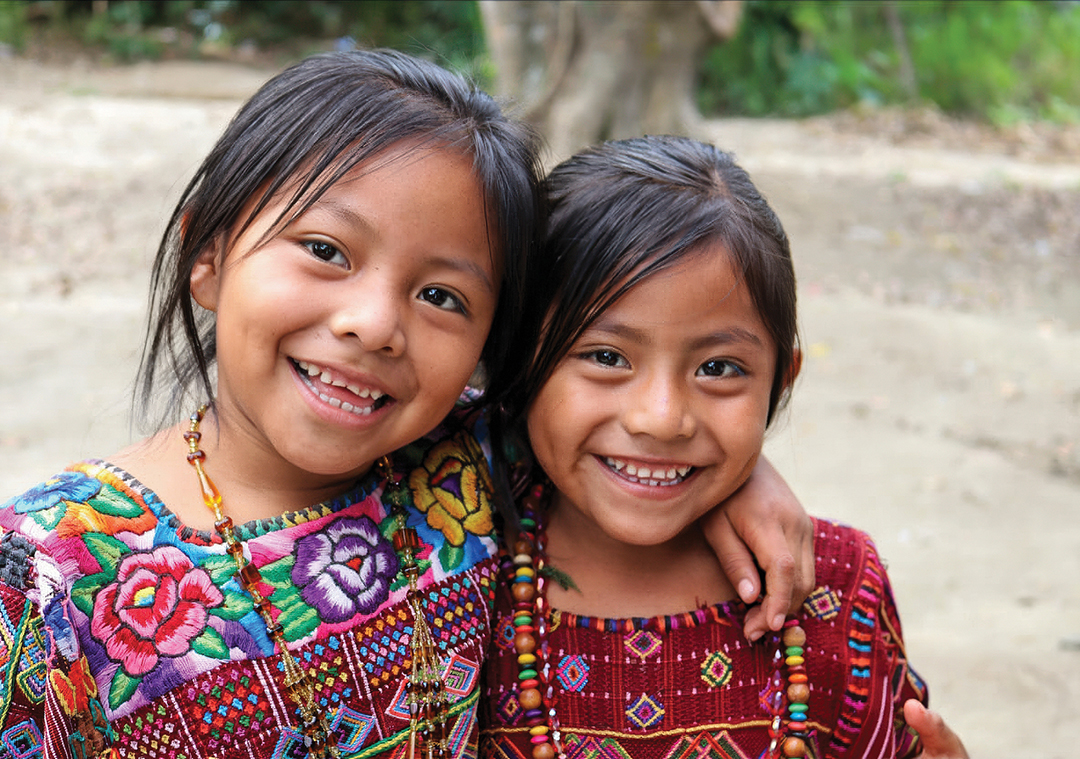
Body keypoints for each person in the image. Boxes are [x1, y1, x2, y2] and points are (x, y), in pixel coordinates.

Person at [0, 52, 813, 759]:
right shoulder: (46, 582)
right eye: (326, 251)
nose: (375, 323)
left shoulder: (465, 457)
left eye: (441, 295)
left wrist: (747, 473)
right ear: (207, 258)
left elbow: (633, 428)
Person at [481, 136, 968, 759]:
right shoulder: (452, 563)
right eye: (606, 357)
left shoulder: (836, 588)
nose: (661, 419)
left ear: (780, 382)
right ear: (518, 361)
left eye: (718, 369)